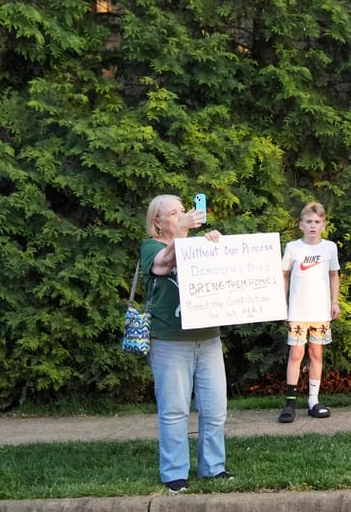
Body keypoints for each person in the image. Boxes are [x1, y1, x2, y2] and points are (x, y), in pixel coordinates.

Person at [141, 194, 231, 493]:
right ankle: (174, 473)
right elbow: (162, 265)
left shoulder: (196, 245)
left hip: (207, 339)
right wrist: (182, 232)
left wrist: (216, 244)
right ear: (158, 222)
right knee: (175, 410)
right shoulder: (151, 246)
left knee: (215, 407)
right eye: (174, 214)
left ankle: (213, 468)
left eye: (184, 212)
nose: (182, 217)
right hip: (170, 341)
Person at [278, 202, 341, 423]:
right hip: (297, 311)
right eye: (309, 222)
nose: (313, 226)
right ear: (301, 225)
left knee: (316, 353)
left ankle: (313, 400)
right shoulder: (293, 248)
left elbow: (334, 275)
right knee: (296, 354)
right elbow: (284, 275)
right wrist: (282, 304)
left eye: (317, 222)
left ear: (323, 225)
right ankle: (290, 402)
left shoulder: (329, 248)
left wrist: (335, 302)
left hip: (320, 312)